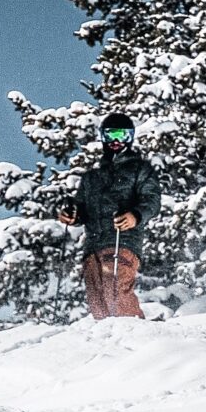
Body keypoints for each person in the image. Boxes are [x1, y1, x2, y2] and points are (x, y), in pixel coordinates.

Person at [56, 111, 160, 320]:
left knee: (116, 290)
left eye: (121, 135)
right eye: (110, 135)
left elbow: (152, 200)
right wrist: (72, 215)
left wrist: (135, 216)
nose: (115, 141)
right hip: (93, 245)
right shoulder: (92, 177)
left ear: (129, 138)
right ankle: (114, 346)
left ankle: (136, 334)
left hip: (122, 239)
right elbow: (82, 209)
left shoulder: (139, 169)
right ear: (103, 137)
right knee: (98, 302)